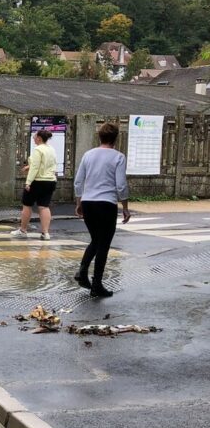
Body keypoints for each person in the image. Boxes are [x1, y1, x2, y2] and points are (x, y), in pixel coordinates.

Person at [73, 122, 131, 298]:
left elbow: (78, 181)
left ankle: (82, 272)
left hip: (89, 202)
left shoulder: (88, 155)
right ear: (116, 138)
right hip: (106, 204)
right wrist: (126, 207)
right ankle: (96, 284)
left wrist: (79, 202)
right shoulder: (118, 157)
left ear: (99, 136)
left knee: (96, 240)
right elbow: (121, 185)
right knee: (103, 244)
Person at [11, 130, 58, 241]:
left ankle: (23, 230)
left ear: (39, 138)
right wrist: (29, 166)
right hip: (50, 181)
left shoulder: (38, 150)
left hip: (38, 181)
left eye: (34, 137)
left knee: (27, 205)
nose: (33, 138)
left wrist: (28, 182)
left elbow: (35, 167)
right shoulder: (51, 149)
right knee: (44, 206)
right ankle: (45, 233)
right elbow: (47, 164)